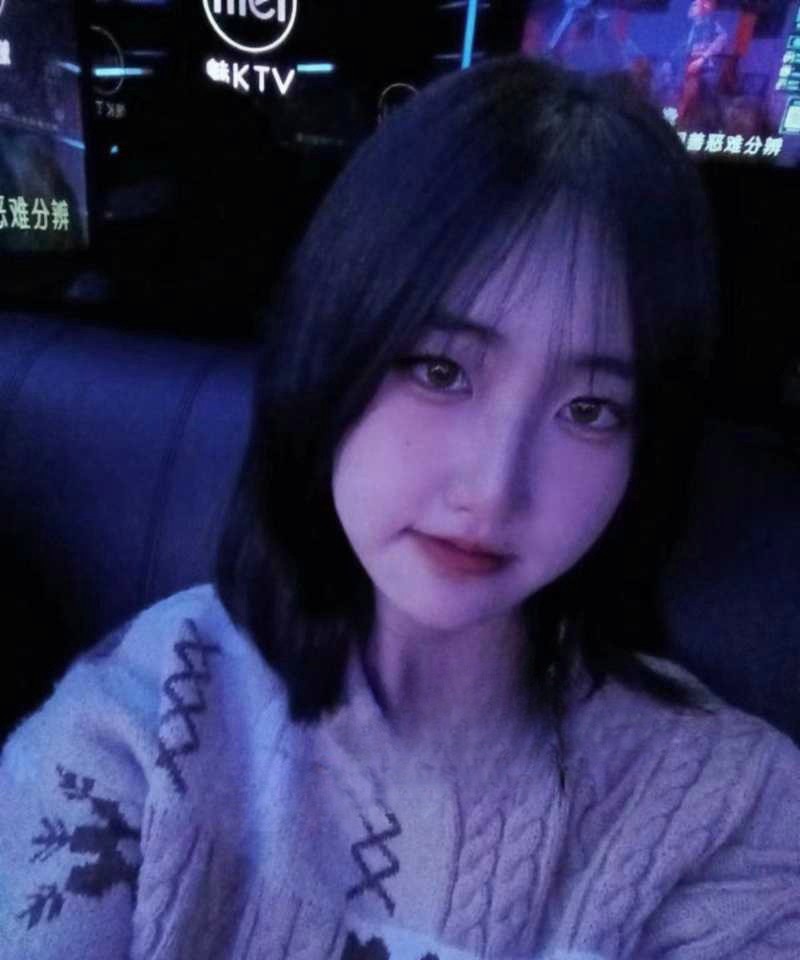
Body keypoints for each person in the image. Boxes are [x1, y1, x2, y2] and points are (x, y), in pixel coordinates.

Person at [1, 56, 799, 960]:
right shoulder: (153, 711)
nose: (495, 488)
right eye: (440, 369)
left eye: (589, 410)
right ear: (330, 351)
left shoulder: (725, 816)